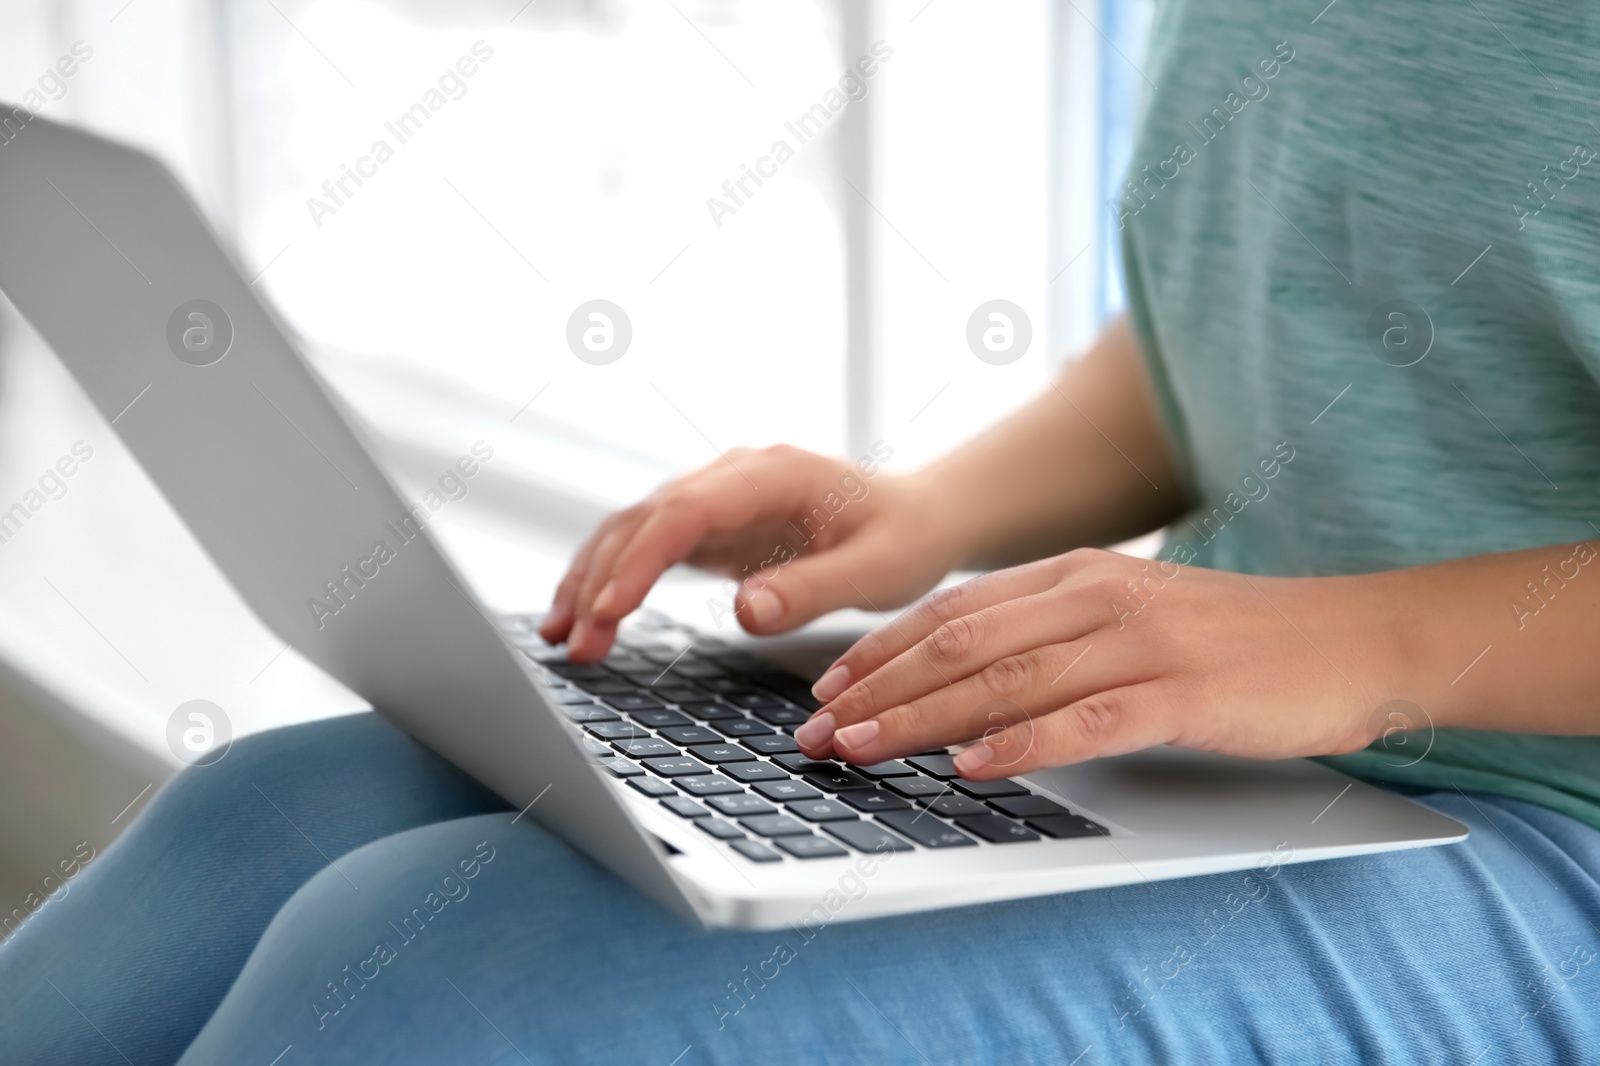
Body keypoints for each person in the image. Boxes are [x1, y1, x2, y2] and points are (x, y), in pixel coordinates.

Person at [5, 3, 1600, 1063]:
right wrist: (937, 513)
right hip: (1218, 742)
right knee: (271, 814)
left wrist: (1368, 646)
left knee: (434, 986)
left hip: (1545, 831)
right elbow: (1287, 307)